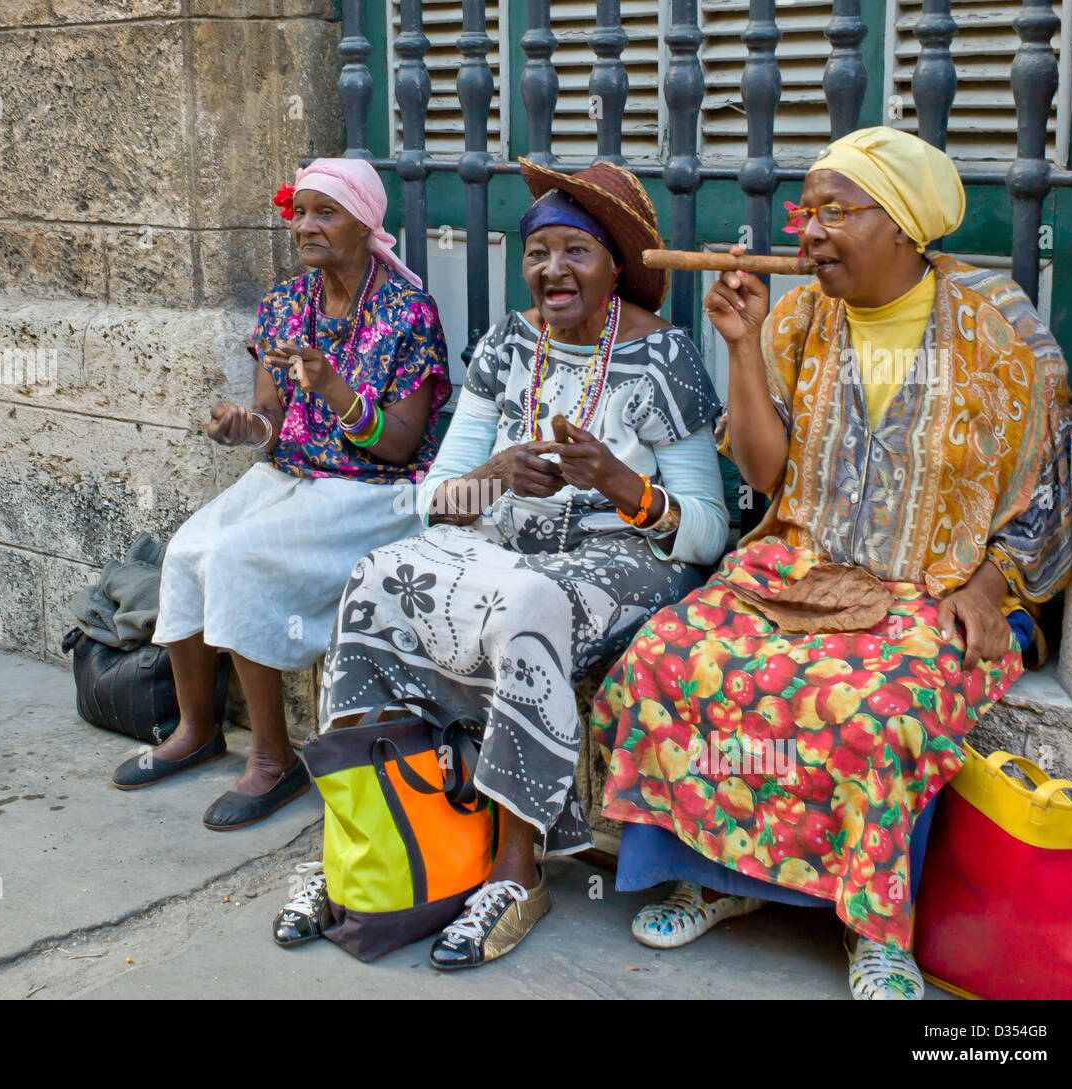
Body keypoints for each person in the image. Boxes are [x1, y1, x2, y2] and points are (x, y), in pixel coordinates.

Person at [589, 126, 1072, 999]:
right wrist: (742, 340)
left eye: (833, 212)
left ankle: (872, 921)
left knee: (880, 707)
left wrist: (992, 583)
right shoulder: (802, 317)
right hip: (799, 565)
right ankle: (717, 875)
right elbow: (769, 475)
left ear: (901, 224)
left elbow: (1044, 479)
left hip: (933, 582)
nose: (807, 232)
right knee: (672, 660)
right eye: (805, 212)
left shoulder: (999, 324)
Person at [272, 158, 730, 969]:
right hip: (503, 538)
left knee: (526, 606)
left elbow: (708, 534)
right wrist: (495, 474)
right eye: (538, 252)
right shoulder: (506, 344)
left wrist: (623, 486)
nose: (553, 270)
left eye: (575, 252)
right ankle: (359, 832)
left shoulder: (667, 358)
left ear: (612, 267)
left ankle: (517, 871)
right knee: (377, 577)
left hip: (623, 559)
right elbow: (434, 495)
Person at [110, 158, 451, 832]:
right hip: (289, 475)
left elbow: (402, 446)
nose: (306, 226)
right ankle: (197, 728)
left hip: (370, 491)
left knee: (236, 558)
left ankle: (274, 758)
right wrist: (245, 426)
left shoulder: (408, 312)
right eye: (301, 212)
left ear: (365, 224)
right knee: (187, 550)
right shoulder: (285, 304)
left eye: (325, 212)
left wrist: (334, 390)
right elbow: (270, 424)